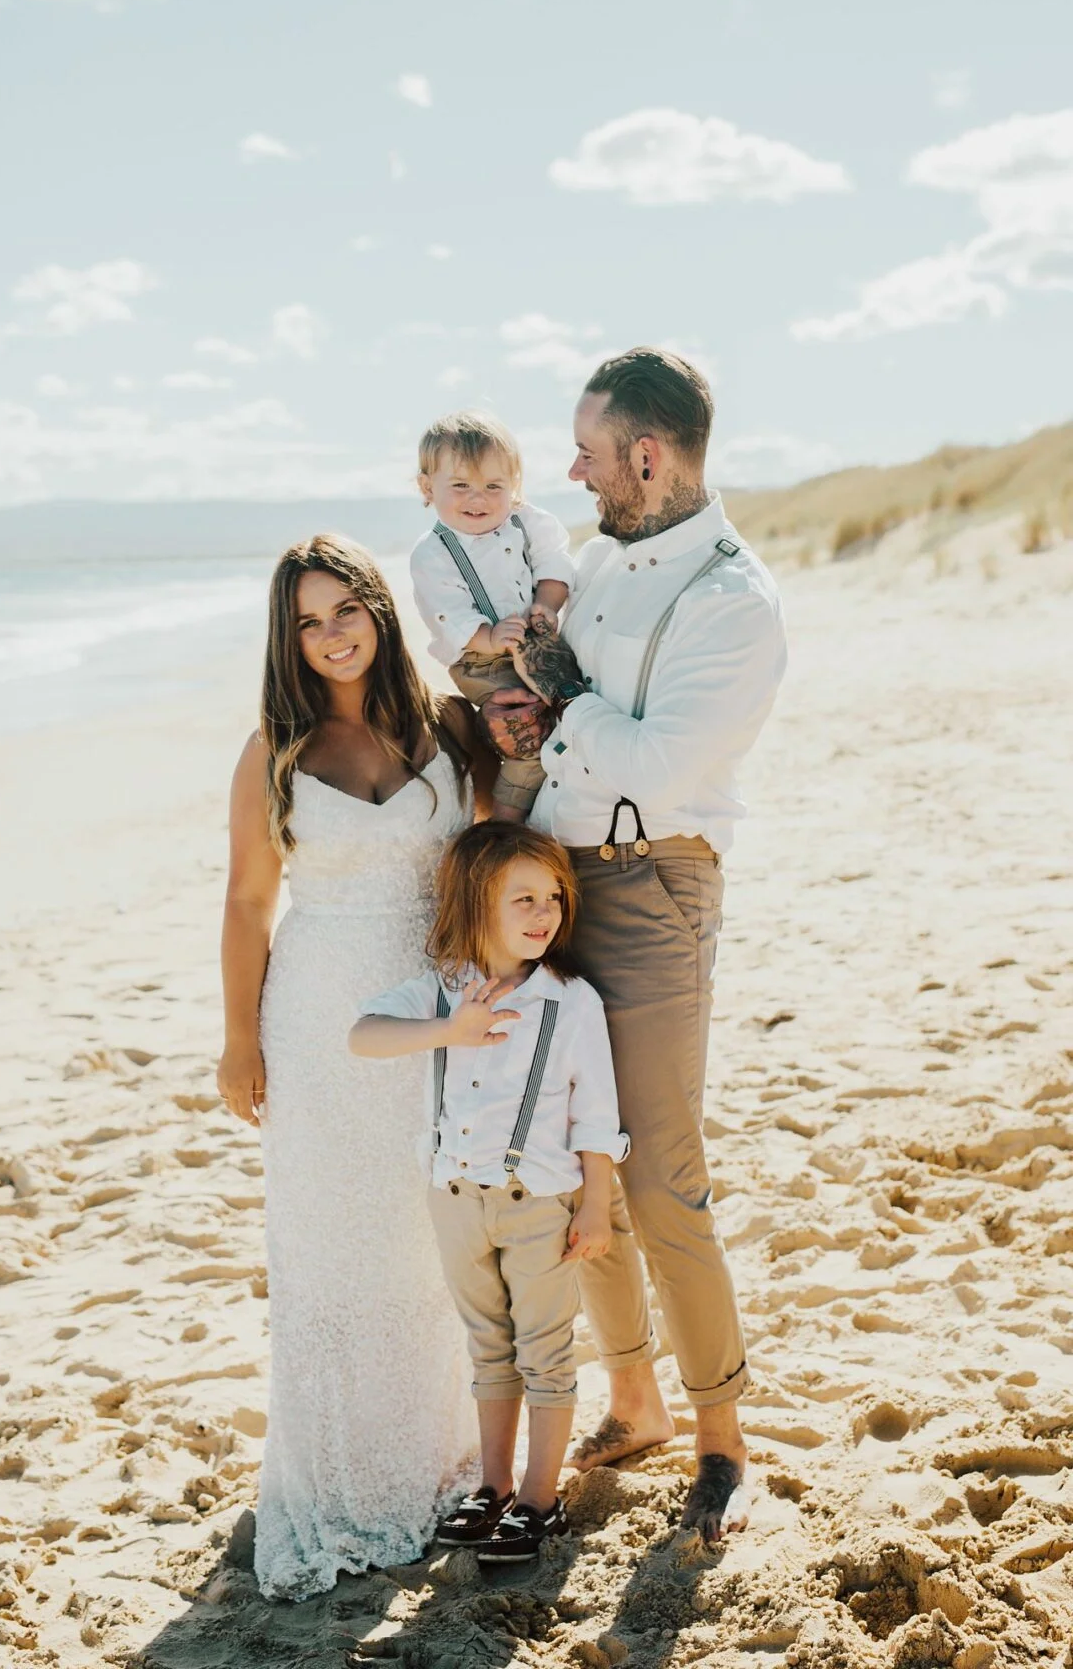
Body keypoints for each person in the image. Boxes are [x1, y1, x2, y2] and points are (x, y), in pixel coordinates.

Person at [483, 347, 788, 1543]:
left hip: (655, 884)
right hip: (559, 884)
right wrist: (530, 709)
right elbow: (587, 731)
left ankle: (722, 1440)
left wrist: (565, 704)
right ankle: (635, 1402)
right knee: (578, 1159)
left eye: (589, 452)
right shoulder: (602, 560)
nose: (573, 472)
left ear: (647, 456)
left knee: (660, 1176)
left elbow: (659, 768)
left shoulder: (733, 600)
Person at [216, 534, 497, 1601]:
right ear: (287, 640)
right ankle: (339, 1479)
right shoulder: (273, 751)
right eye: (307, 622)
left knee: (426, 1242)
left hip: (434, 1013)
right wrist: (239, 1040)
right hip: (318, 1022)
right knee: (333, 1251)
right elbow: (249, 903)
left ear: (379, 609)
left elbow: (496, 846)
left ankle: (437, 1457)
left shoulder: (449, 728)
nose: (331, 635)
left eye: (346, 610)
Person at [349, 821, 629, 1564]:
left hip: (538, 1204)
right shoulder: (443, 987)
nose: (544, 914)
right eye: (523, 899)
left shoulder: (571, 1001)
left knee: (545, 1350)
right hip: (454, 1200)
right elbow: (363, 1036)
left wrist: (595, 1204)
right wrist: (450, 1031)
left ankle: (539, 1496)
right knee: (488, 1346)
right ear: (476, 904)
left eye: (553, 898)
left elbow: (597, 1114)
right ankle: (495, 1485)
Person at [411, 411, 576, 821]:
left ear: (513, 486)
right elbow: (449, 616)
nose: (478, 499)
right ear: (427, 488)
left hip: (536, 641)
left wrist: (547, 604)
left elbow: (555, 561)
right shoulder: (434, 553)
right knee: (527, 734)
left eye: (493, 486)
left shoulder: (527, 521)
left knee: (576, 713)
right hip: (482, 660)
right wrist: (489, 636)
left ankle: (565, 807)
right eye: (460, 486)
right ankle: (505, 825)